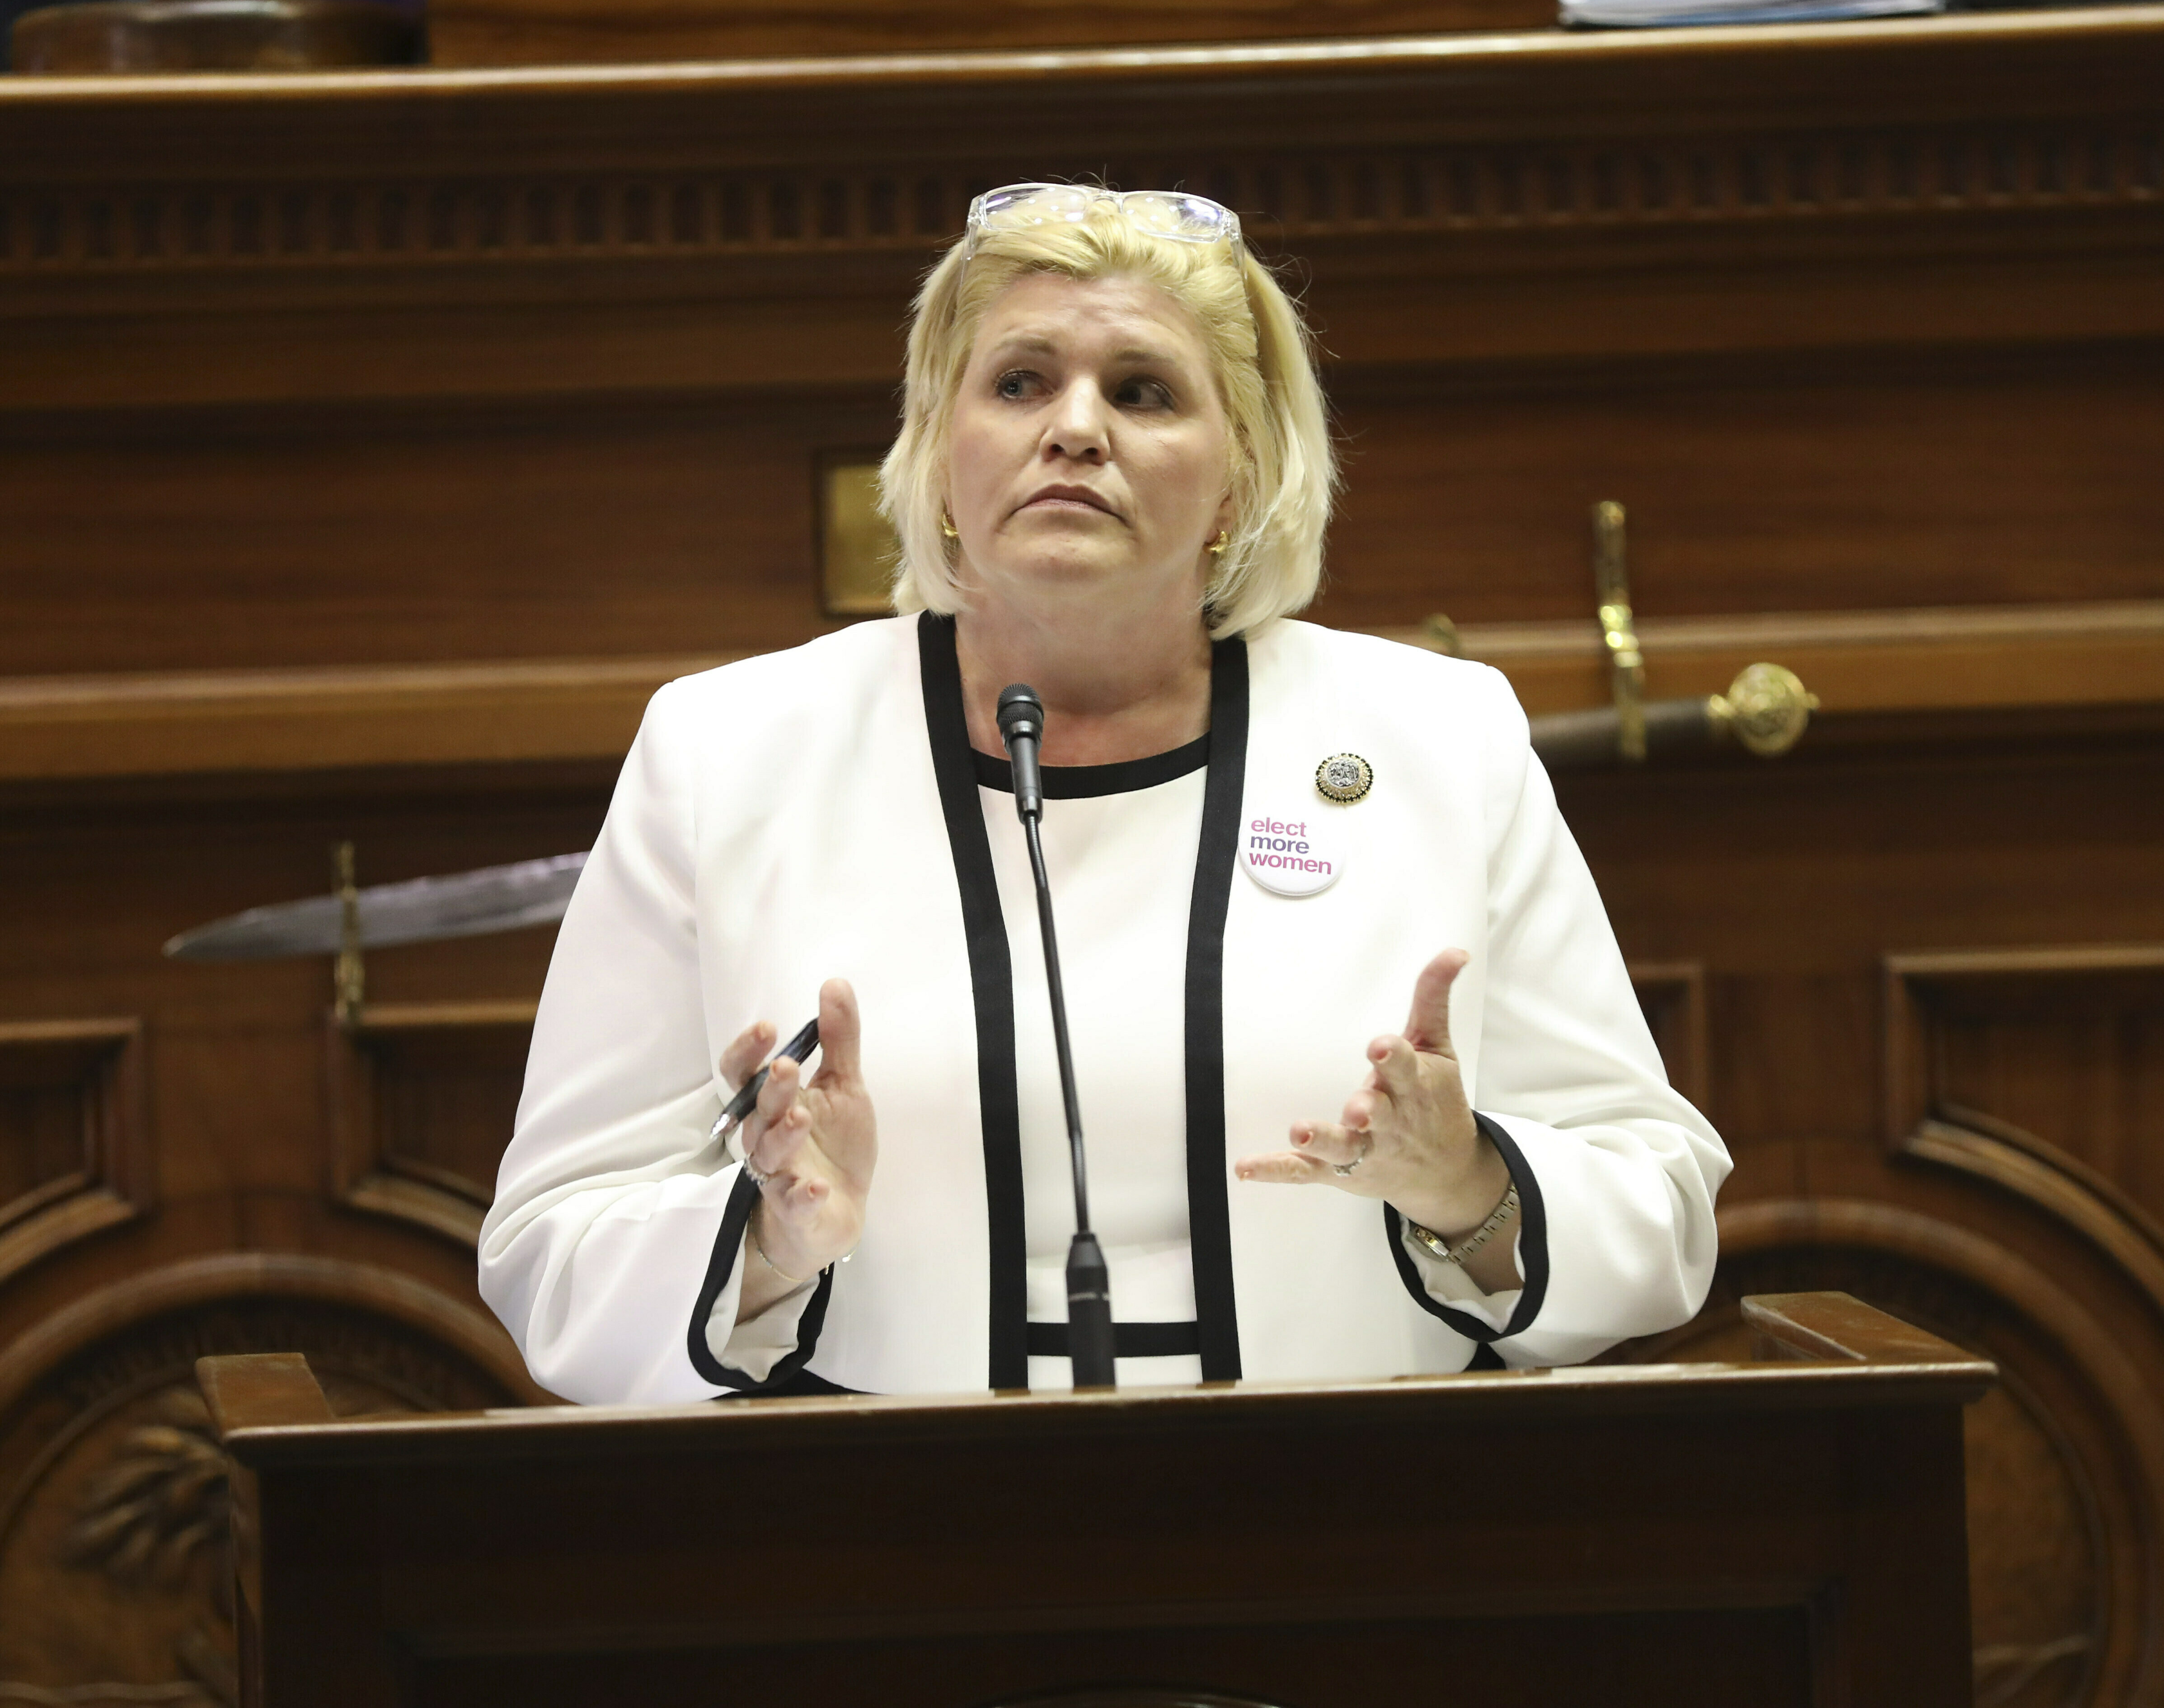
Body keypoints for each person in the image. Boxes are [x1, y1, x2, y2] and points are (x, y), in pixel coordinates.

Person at [477, 183, 1727, 1403]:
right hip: (870, 1535)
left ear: (1240, 475)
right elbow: (550, 1250)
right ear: (939, 449)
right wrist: (768, 1245)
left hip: (1352, 1517)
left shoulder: (1441, 739)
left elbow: (1659, 1203)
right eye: (1019, 382)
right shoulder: (728, 750)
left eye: (1144, 391)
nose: (1075, 428)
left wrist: (1467, 1184)